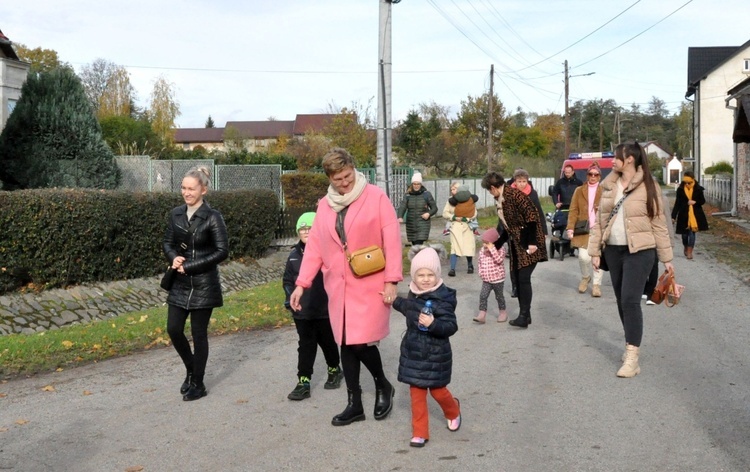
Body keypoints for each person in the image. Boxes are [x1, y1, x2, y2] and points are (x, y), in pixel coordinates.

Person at [289, 147, 403, 426]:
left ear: (354, 168)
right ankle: (354, 403)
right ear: (329, 178)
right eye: (338, 178)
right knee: (345, 341)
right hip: (337, 286)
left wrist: (391, 280)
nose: (345, 182)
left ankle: (381, 384)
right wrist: (301, 284)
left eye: (348, 175)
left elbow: (392, 240)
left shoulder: (376, 197)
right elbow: (315, 247)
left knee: (361, 342)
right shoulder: (324, 205)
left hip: (370, 282)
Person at [587, 142, 674, 378]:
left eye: (617, 156)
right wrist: (595, 251)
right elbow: (599, 222)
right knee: (620, 300)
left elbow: (658, 222)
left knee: (630, 299)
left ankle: (632, 357)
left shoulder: (649, 186)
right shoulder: (608, 185)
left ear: (630, 160)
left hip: (641, 251)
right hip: (613, 251)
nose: (613, 160)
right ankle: (631, 343)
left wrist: (666, 258)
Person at [163, 165, 229, 401]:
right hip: (180, 283)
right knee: (173, 329)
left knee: (198, 334)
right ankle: (191, 369)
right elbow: (167, 243)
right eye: (183, 188)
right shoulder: (176, 213)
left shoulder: (213, 217)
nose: (186, 192)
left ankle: (198, 384)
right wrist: (173, 257)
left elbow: (222, 251)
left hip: (204, 284)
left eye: (191, 188)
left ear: (203, 190)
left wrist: (190, 265)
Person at [391, 247, 461, 448]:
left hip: (436, 354)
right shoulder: (414, 294)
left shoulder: (443, 299)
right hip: (414, 353)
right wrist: (391, 299)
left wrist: (433, 324)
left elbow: (450, 326)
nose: (425, 279)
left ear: (437, 274)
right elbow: (406, 307)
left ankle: (453, 410)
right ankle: (420, 432)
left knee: (438, 392)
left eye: (430, 274)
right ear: (414, 275)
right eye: (420, 275)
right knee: (417, 395)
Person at [283, 212, 343, 401]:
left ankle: (334, 368)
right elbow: (287, 281)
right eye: (302, 228)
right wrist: (289, 299)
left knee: (327, 342)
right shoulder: (293, 256)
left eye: (310, 227)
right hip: (302, 310)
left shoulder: (327, 252)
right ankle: (304, 381)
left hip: (324, 308)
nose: (306, 231)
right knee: (305, 346)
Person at [481, 172, 548, 329]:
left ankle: (523, 316)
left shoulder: (515, 195)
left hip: (529, 242)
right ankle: (527, 315)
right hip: (516, 244)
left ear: (493, 187)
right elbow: (507, 227)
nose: (490, 193)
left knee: (523, 278)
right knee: (517, 279)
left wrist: (532, 243)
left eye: (489, 190)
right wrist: (496, 245)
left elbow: (532, 217)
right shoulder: (502, 198)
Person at [565, 162, 604, 297]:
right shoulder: (579, 190)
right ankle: (586, 277)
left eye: (596, 174)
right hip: (583, 229)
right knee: (583, 257)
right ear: (587, 175)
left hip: (599, 229)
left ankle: (596, 285)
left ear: (599, 176)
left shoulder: (605, 191)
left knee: (597, 257)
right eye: (590, 174)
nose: (593, 177)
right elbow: (573, 210)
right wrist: (570, 228)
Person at [509, 169, 548, 297]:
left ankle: (523, 283)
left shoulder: (532, 193)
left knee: (525, 260)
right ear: (515, 181)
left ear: (527, 180)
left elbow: (539, 212)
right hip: (514, 231)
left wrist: (544, 230)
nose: (522, 184)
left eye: (524, 181)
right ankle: (515, 286)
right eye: (519, 181)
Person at [643, 194, 676, 305]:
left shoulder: (661, 198)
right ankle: (644, 287)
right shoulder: (636, 196)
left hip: (655, 236)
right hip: (640, 237)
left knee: (653, 263)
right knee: (641, 264)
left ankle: (651, 292)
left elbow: (666, 219)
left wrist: (670, 240)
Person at [671, 170, 708, 260]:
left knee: (692, 233)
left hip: (695, 215)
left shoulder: (698, 189)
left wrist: (695, 202)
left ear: (692, 179)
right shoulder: (680, 189)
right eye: (685, 182)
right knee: (684, 235)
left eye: (689, 182)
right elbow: (677, 203)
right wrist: (673, 216)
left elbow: (702, 201)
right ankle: (686, 246)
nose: (687, 184)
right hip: (683, 214)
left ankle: (690, 251)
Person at [473, 227, 508, 324]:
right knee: (483, 296)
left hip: (498, 279)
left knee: (499, 296)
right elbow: (480, 262)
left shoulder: (500, 250)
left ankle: (502, 312)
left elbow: (499, 260)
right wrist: (481, 272)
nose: (484, 245)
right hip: (487, 280)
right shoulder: (482, 251)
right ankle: (482, 314)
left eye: (487, 243)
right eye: (483, 242)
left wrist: (492, 250)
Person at [442, 184, 477, 276]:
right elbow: (445, 213)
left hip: (467, 226)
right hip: (455, 226)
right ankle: (452, 269)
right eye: (452, 189)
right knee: (454, 246)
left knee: (468, 245)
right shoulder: (450, 201)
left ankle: (470, 266)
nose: (453, 191)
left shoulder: (469, 199)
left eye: (455, 189)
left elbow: (474, 212)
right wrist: (453, 217)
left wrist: (468, 218)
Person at [397, 172, 438, 246]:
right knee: (415, 245)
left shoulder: (426, 194)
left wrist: (428, 213)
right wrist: (400, 216)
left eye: (418, 184)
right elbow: (403, 206)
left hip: (423, 224)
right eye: (414, 184)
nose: (416, 186)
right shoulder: (408, 195)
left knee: (418, 243)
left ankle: (420, 256)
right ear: (412, 184)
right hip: (411, 224)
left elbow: (434, 208)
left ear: (421, 184)